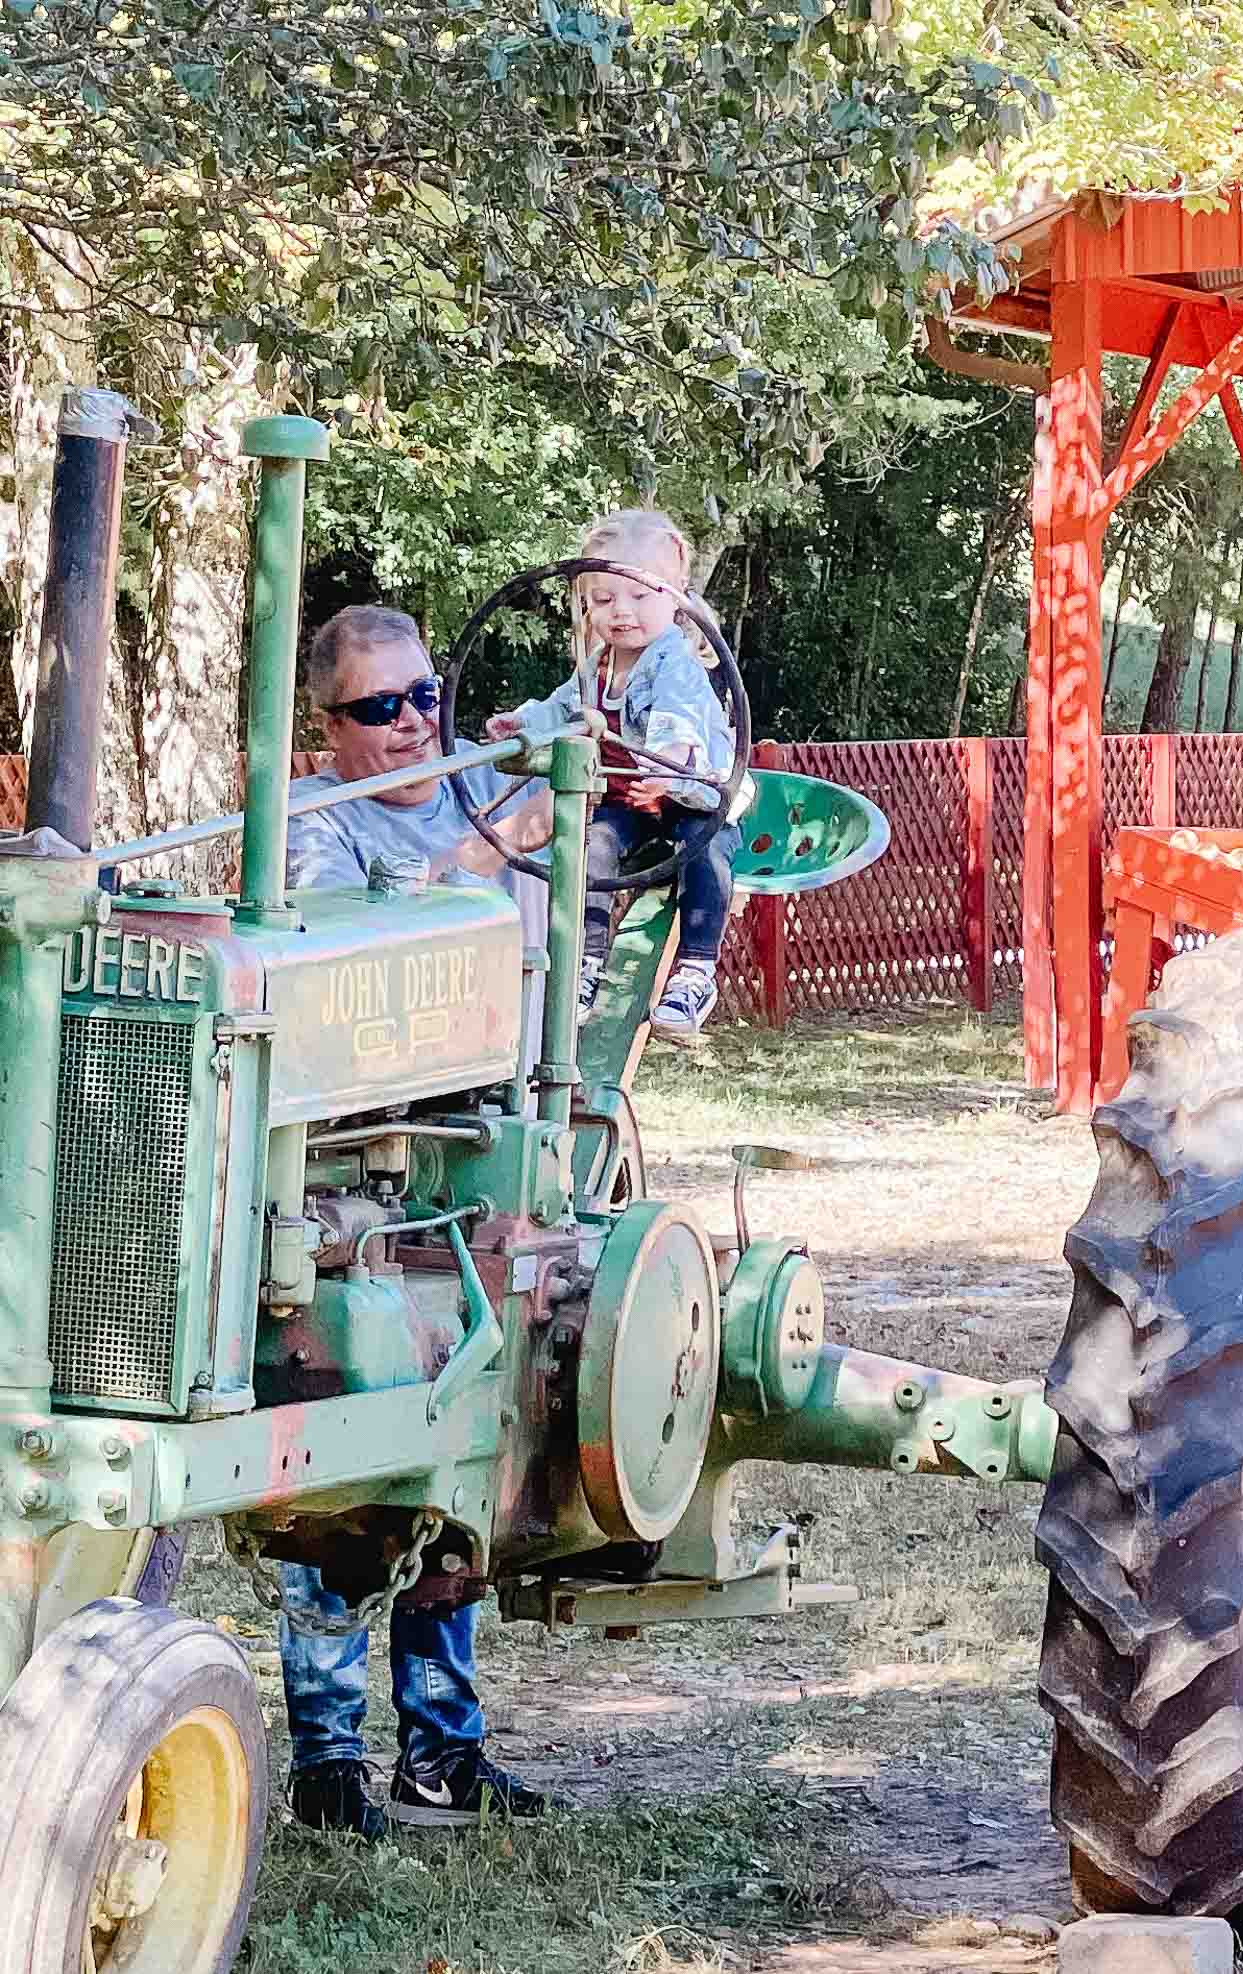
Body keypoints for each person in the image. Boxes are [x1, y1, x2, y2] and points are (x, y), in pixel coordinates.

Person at [282, 603, 556, 1841]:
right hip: (358, 1173)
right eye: (380, 709)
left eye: (424, 696)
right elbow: (360, 957)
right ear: (326, 727)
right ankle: (328, 1757)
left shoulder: (475, 786)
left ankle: (442, 1752)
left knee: (456, 1464)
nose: (412, 725)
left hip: (482, 1155)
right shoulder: (311, 829)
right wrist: (490, 851)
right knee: (336, 1473)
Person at [487, 509, 749, 1044]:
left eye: (637, 597)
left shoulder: (670, 658)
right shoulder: (601, 663)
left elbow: (678, 723)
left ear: (672, 595)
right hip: (633, 799)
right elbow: (566, 708)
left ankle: (696, 971)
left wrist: (667, 763)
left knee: (707, 850)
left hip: (694, 791)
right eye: (603, 600)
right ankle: (583, 962)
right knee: (591, 846)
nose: (620, 613)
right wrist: (522, 723)